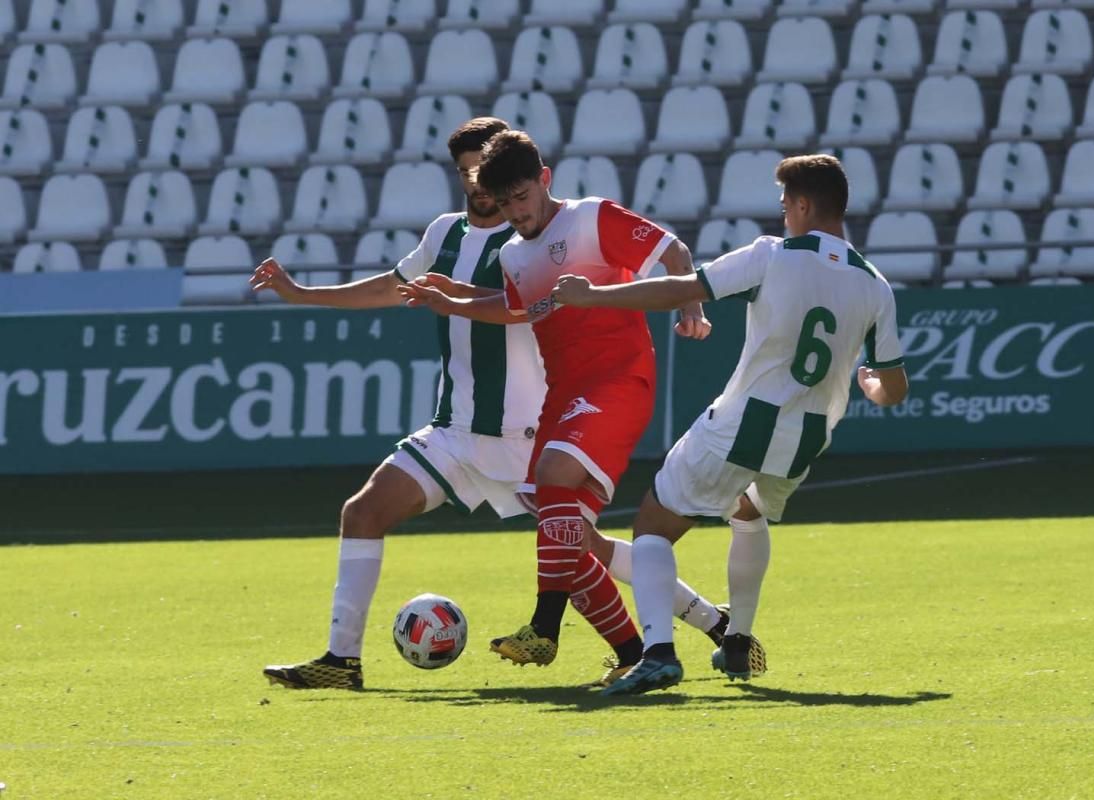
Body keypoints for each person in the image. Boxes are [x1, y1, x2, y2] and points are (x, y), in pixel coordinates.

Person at [255, 119, 739, 690]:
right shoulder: (451, 237)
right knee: (363, 511)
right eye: (465, 173)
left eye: (483, 173)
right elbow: (412, 290)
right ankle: (342, 662)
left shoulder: (551, 230)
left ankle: (678, 632)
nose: (478, 186)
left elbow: (537, 301)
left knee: (581, 550)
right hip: (456, 428)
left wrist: (687, 304)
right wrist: (306, 292)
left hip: (528, 425)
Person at [401, 131, 766, 674]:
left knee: (553, 477)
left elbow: (674, 251)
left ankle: (545, 629)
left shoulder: (592, 218)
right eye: (504, 204)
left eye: (522, 197)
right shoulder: (512, 253)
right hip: (564, 396)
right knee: (574, 541)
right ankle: (705, 628)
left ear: (544, 180)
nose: (516, 212)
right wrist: (451, 298)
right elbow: (522, 310)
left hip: (618, 381)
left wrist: (690, 307)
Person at [549, 154, 910, 695]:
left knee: (652, 527)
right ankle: (736, 639)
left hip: (745, 420)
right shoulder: (875, 285)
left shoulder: (773, 255)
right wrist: (870, 386)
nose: (784, 214)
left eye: (787, 204)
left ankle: (657, 653)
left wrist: (592, 295)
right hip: (805, 437)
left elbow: (680, 290)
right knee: (748, 511)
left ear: (805, 205)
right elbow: (894, 388)